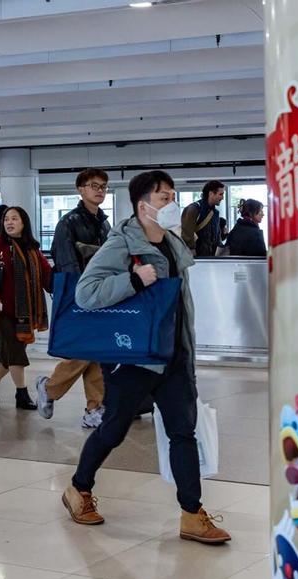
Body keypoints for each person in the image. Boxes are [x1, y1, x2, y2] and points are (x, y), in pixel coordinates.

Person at [61, 170, 231, 545]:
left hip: (174, 356)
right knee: (113, 429)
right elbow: (86, 293)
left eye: (172, 196)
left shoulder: (172, 242)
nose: (172, 204)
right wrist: (134, 280)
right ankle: (78, 488)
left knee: (182, 433)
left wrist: (188, 353)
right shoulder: (121, 243)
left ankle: (191, 513)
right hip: (133, 358)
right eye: (163, 198)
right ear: (143, 206)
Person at [33, 168, 111, 428]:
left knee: (94, 351)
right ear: (80, 189)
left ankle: (93, 408)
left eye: (102, 186)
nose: (99, 190)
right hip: (78, 294)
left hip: (100, 293)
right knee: (86, 349)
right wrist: (81, 296)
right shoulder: (68, 223)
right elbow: (67, 263)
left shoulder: (104, 223)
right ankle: (52, 388)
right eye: (93, 185)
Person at [0, 206, 52, 410]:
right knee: (16, 351)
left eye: (14, 218)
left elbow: (46, 274)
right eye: (6, 219)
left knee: (10, 354)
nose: (9, 222)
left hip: (25, 311)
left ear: (24, 223)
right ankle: (21, 394)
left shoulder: (31, 247)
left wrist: (62, 283)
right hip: (2, 309)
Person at [180, 180, 225, 258]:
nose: (222, 198)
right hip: (197, 258)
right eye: (220, 194)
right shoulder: (193, 209)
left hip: (212, 258)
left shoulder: (215, 213)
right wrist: (192, 251)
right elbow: (186, 234)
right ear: (211, 194)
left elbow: (217, 237)